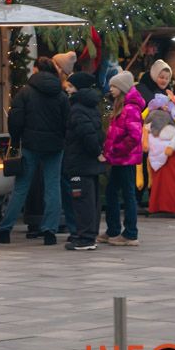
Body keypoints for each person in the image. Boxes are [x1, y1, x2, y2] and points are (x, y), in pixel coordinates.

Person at [0, 56, 69, 245]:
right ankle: (50, 230)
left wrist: (16, 139)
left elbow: (15, 119)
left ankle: (5, 229)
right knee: (52, 187)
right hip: (55, 146)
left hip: (30, 145)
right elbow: (67, 121)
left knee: (20, 188)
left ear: (35, 70)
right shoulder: (61, 94)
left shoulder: (25, 92)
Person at [63, 71, 105, 251]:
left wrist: (96, 151)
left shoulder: (77, 108)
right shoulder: (91, 106)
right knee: (91, 199)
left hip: (80, 162)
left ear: (78, 88)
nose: (67, 90)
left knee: (82, 199)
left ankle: (86, 237)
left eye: (71, 87)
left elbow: (87, 134)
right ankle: (88, 233)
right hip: (88, 163)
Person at [100, 71, 143, 246]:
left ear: (123, 88)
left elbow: (134, 136)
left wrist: (115, 150)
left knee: (127, 194)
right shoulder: (121, 105)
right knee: (112, 192)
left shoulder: (130, 108)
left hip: (125, 159)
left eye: (114, 86)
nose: (111, 89)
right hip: (119, 158)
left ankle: (130, 233)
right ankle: (113, 229)